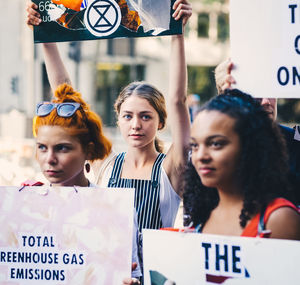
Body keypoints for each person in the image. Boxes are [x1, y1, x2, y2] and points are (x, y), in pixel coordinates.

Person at [26, 0, 192, 233]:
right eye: (127, 116)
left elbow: (177, 100)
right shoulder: (106, 165)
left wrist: (178, 32)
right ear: (118, 119)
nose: (136, 124)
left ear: (161, 122)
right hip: (106, 268)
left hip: (150, 269)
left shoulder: (172, 166)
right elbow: (66, 97)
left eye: (145, 116)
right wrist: (45, 34)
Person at [31, 83, 141, 280]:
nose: (50, 159)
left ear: (88, 151)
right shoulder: (23, 207)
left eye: (62, 148)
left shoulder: (115, 210)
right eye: (42, 147)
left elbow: (132, 274)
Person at [183, 89, 300, 240]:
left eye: (216, 144)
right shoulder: (201, 216)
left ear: (249, 147)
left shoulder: (278, 219)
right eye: (195, 145)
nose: (201, 156)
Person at [214, 59, 300, 206]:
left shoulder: (295, 141)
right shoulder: (214, 148)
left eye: (271, 92)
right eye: (256, 94)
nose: (266, 101)